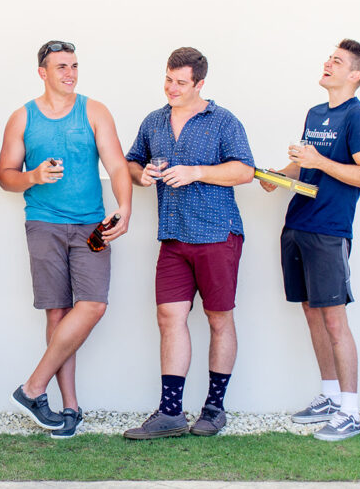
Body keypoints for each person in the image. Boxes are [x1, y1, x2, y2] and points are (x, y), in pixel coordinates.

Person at [0, 40, 132, 439]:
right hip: (43, 224)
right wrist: (33, 177)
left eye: (73, 65)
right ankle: (68, 407)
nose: (70, 73)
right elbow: (6, 175)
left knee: (92, 305)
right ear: (43, 72)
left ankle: (32, 388)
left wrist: (125, 207)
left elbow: (117, 165)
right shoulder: (22, 118)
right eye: (61, 67)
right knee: (57, 314)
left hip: (92, 225)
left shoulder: (94, 111)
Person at [122, 46, 254, 440]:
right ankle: (170, 413)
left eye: (181, 82)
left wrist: (197, 171)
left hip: (217, 233)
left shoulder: (223, 120)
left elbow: (244, 170)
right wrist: (139, 173)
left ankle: (214, 408)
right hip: (173, 236)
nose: (171, 88)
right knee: (169, 319)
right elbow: (130, 161)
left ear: (200, 83)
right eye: (168, 79)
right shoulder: (154, 121)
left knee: (219, 319)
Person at [260, 39, 360, 442]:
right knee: (312, 312)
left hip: (329, 231)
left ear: (355, 75)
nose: (327, 64)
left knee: (334, 318)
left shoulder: (359, 118)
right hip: (297, 224)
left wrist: (320, 162)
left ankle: (351, 411)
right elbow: (303, 163)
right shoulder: (316, 112)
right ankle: (329, 396)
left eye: (337, 61)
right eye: (329, 58)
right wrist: (275, 177)